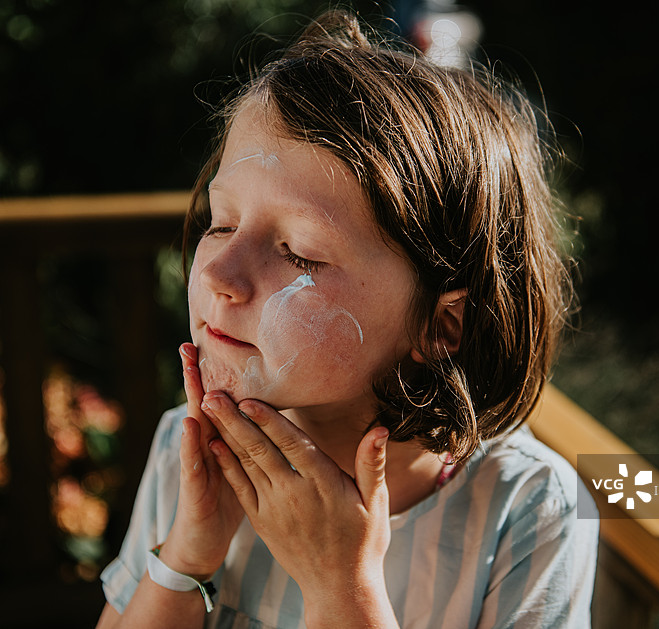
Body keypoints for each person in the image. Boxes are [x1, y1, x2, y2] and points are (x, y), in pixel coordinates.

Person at [96, 10, 598, 628]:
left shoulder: (529, 508)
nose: (218, 273)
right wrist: (185, 558)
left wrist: (342, 587)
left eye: (299, 252)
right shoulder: (191, 446)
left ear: (441, 326)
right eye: (221, 223)